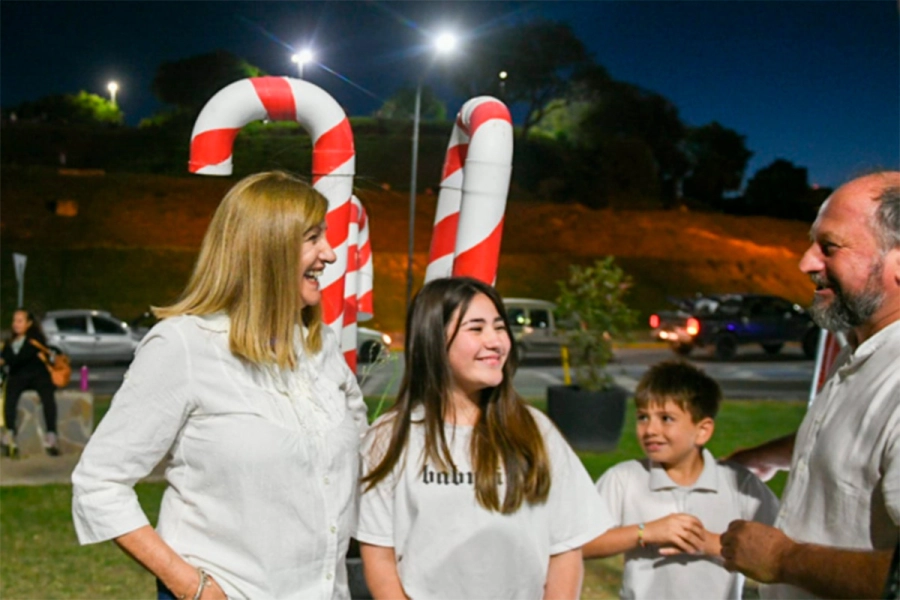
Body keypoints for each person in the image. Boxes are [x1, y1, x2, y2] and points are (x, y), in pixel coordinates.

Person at [71, 171, 368, 600]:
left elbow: (363, 453)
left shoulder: (321, 348)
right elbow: (99, 483)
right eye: (313, 237)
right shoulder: (184, 345)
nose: (331, 253)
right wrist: (191, 586)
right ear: (266, 246)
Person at [355, 277, 607, 600]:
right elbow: (379, 558)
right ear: (433, 340)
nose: (496, 341)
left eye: (499, 327)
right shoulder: (389, 439)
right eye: (476, 329)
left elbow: (566, 547)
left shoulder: (536, 431)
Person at [725, 171, 900, 599]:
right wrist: (773, 454)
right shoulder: (865, 345)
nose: (806, 262)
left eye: (830, 247)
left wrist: (783, 559)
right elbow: (863, 436)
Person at [583, 361, 778, 599]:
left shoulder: (739, 484)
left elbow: (778, 548)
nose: (650, 429)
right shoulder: (624, 478)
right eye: (643, 417)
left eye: (666, 418)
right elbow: (582, 542)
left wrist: (708, 543)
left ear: (702, 430)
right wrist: (646, 532)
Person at [0, 308, 60, 457]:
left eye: (20, 321)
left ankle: (51, 435)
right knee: (10, 398)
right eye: (15, 320)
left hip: (38, 376)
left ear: (29, 323)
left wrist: (6, 359)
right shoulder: (11, 341)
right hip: (18, 378)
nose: (16, 324)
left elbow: (18, 358)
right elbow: (5, 358)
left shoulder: (35, 340)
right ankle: (10, 434)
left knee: (48, 398)